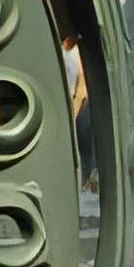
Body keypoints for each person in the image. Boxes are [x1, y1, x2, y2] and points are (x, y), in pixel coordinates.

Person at [61, 33, 95, 191]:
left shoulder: (77, 53)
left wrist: (74, 112)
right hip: (67, 102)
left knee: (85, 148)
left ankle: (86, 182)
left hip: (80, 104)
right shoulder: (61, 51)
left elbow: (82, 87)